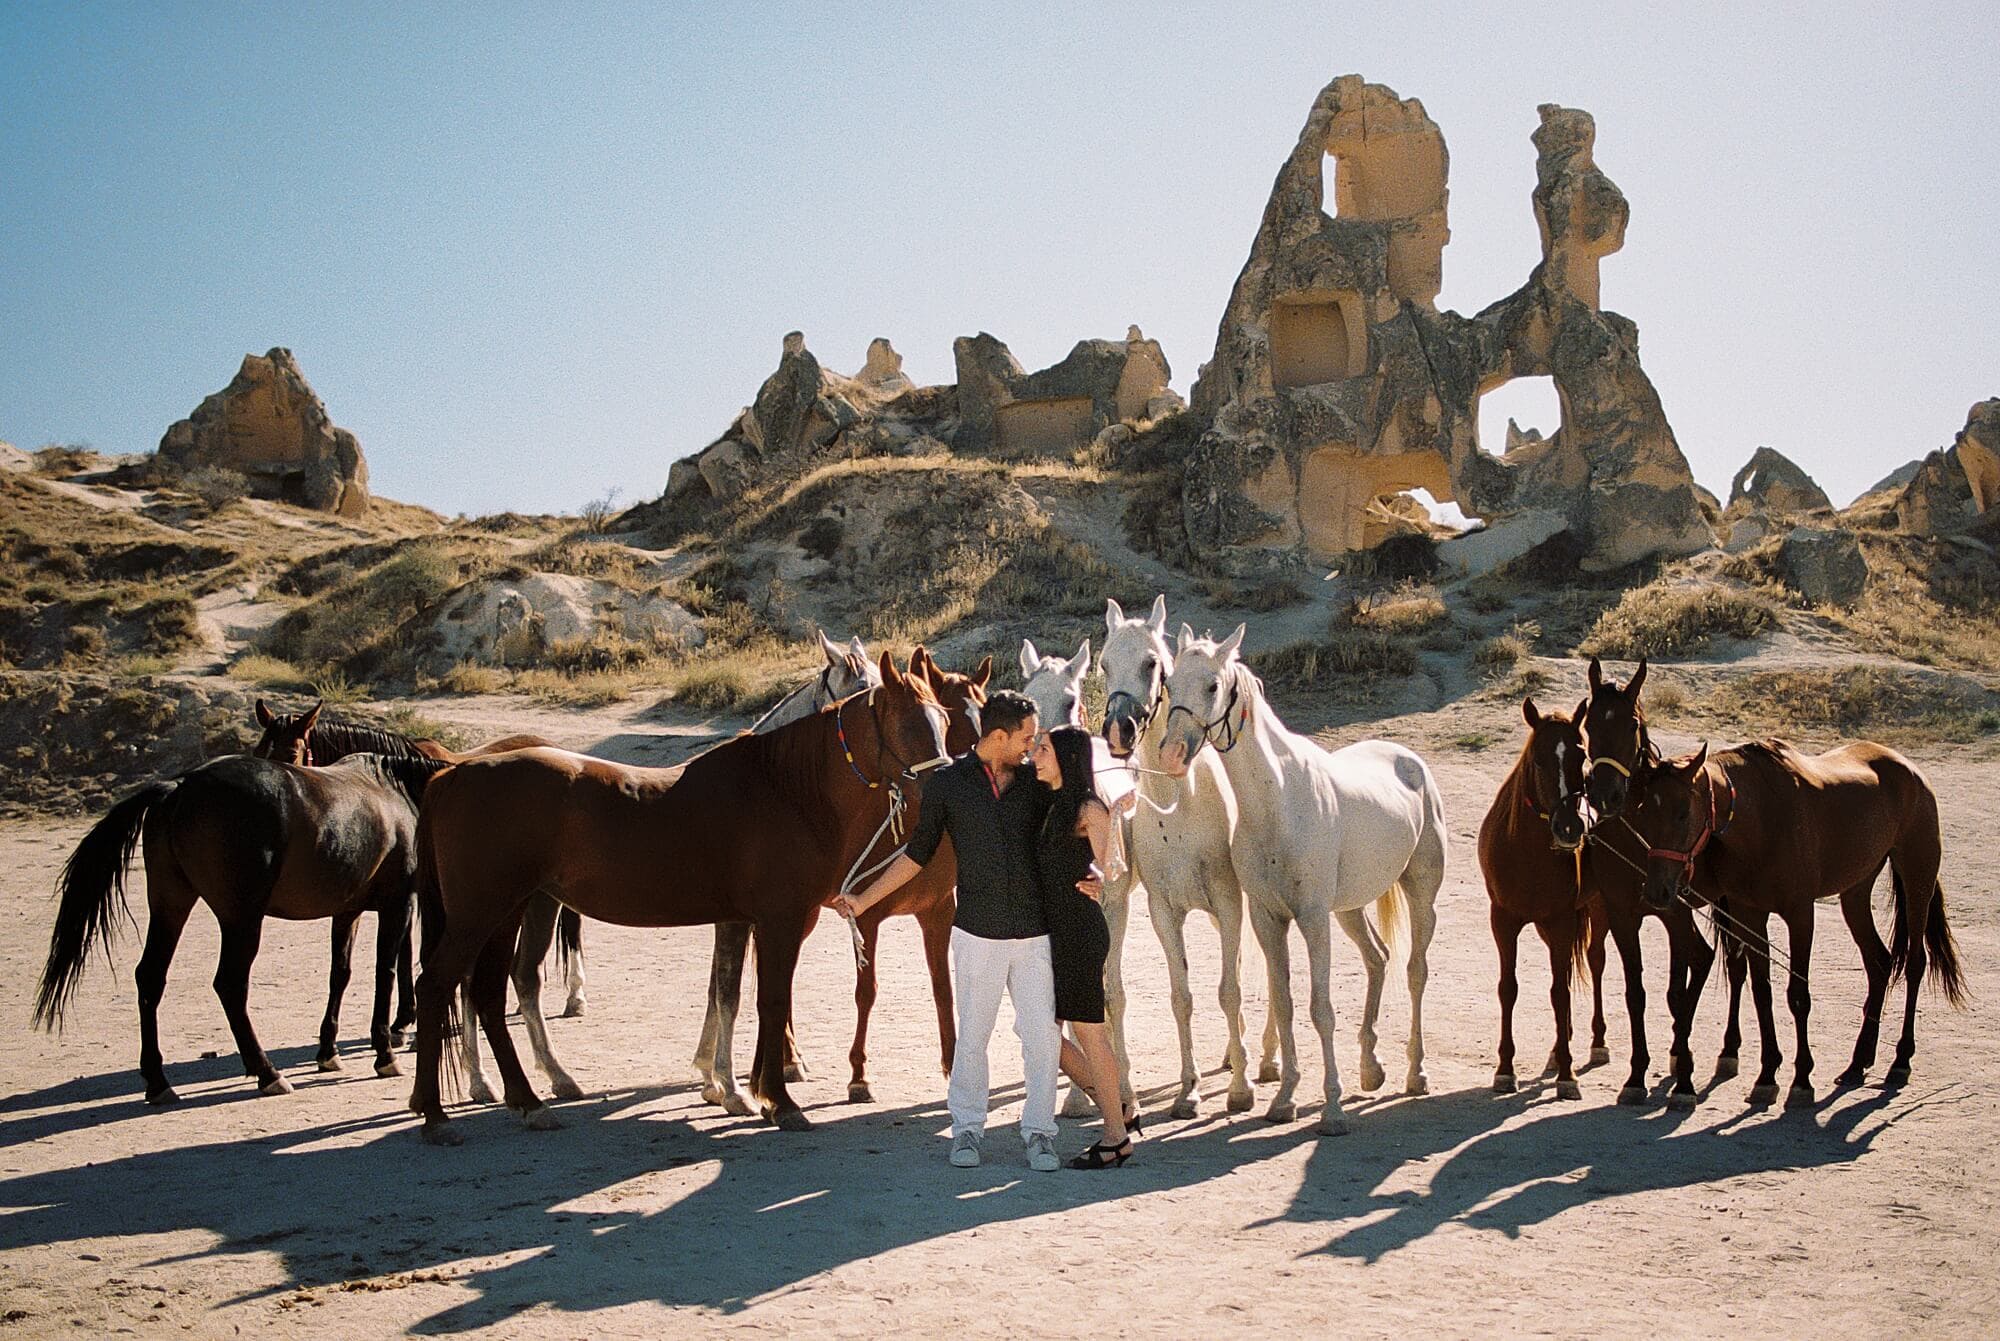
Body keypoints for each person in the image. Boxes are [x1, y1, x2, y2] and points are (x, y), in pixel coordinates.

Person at [834, 689, 1072, 1173]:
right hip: (977, 935)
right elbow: (916, 854)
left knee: (1042, 1038)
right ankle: (966, 1129)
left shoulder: (1035, 782)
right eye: (1025, 737)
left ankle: (1040, 1133)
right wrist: (863, 899)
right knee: (973, 1038)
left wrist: (1097, 864)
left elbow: (1076, 818)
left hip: (1034, 935)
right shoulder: (948, 784)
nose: (1031, 745)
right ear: (998, 736)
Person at [1030, 725, 1138, 1169]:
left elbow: (1115, 867)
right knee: (1041, 1033)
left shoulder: (1088, 806)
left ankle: (1116, 1136)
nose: (1035, 755)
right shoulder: (1049, 803)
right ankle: (1119, 1108)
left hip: (1079, 930)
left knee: (1088, 1031)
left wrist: (1101, 862)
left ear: (1067, 758)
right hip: (1053, 933)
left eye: (1043, 749)